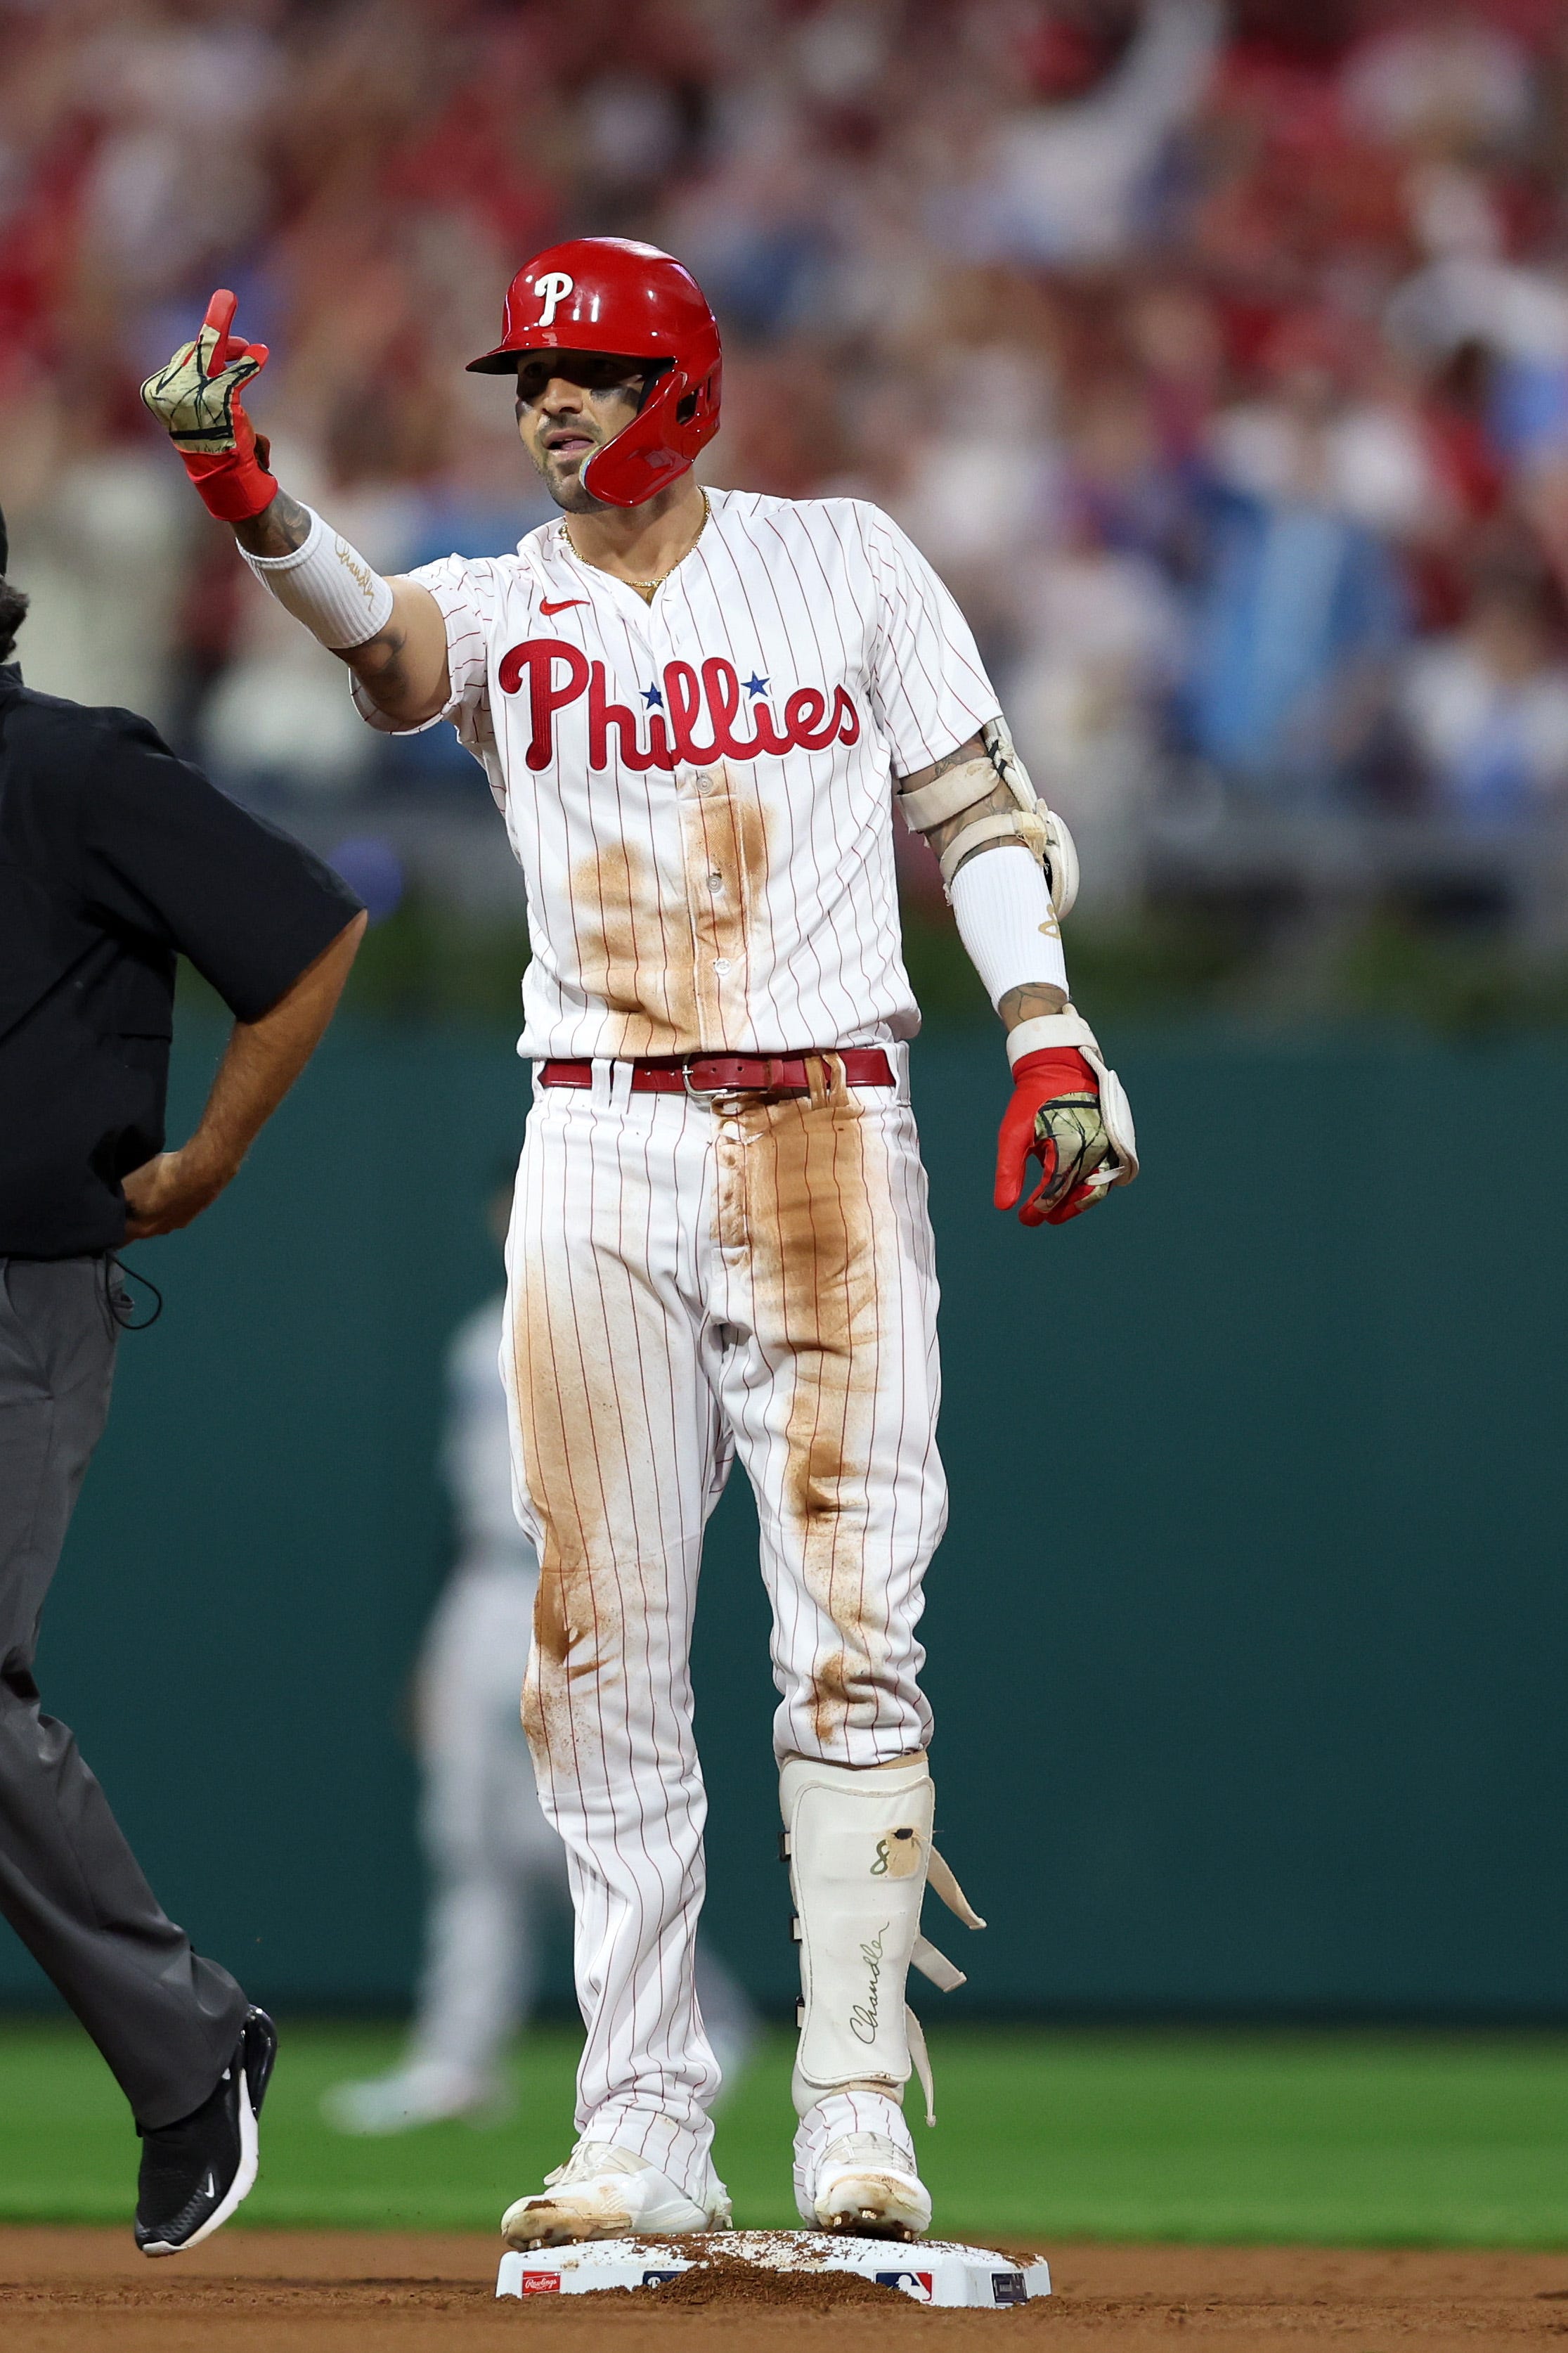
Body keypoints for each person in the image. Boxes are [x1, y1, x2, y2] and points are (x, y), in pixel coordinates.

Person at [141, 245, 1138, 2248]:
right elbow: (397, 656)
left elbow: (977, 803)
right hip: (597, 1135)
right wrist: (259, 508)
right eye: (531, 377)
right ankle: (639, 2116)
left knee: (856, 1630)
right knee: (592, 1652)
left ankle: (859, 2107)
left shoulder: (848, 560)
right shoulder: (510, 595)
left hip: (831, 1122)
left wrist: (1046, 1026)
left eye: (585, 370)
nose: (550, 404)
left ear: (680, 378)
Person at [0, 509, 365, 2253]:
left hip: (18, 1297)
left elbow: (304, 935)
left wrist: (213, 1150)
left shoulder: (75, 769)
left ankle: (187, 2046)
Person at [323, 1182, 757, 2135]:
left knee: (595, 1827)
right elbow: (458, 1504)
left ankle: (700, 2020)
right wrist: (435, 1648)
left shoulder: (629, 1317)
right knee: (469, 1834)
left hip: (581, 1579)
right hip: (483, 1587)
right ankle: (456, 2060)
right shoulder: (478, 1336)